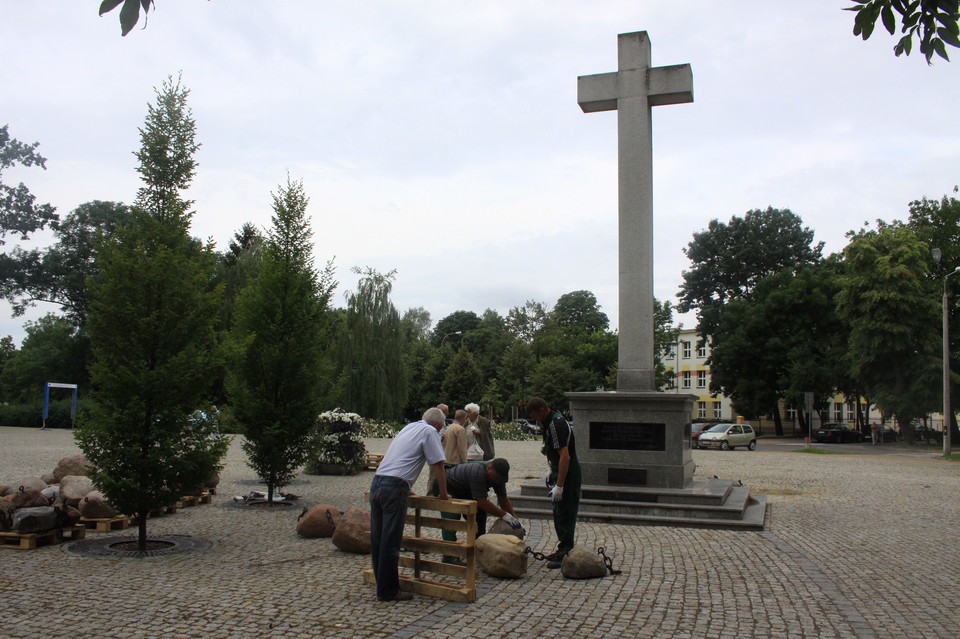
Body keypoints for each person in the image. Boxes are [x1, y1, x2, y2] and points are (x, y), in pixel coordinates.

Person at [369, 407, 448, 602]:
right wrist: (444, 494)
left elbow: (399, 458)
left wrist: (407, 485)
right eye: (442, 428)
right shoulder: (430, 431)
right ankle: (388, 591)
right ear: (438, 425)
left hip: (378, 482)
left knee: (378, 540)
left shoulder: (409, 427)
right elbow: (438, 464)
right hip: (394, 488)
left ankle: (382, 584)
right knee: (390, 541)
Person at [527, 396, 581, 569]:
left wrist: (560, 485)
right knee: (559, 512)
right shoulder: (549, 422)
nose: (536, 420)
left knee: (565, 512)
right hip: (559, 471)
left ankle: (566, 549)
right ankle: (562, 548)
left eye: (536, 416)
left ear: (543, 409)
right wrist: (551, 470)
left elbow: (565, 456)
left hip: (568, 474)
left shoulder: (556, 424)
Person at [442, 458, 523, 564]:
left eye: (499, 479)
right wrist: (503, 515)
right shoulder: (477, 471)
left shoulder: (498, 477)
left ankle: (479, 549)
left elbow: (503, 500)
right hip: (448, 486)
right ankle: (449, 555)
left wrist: (514, 519)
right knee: (452, 517)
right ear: (489, 468)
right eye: (496, 478)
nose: (497, 481)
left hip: (466, 490)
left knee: (479, 515)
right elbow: (482, 502)